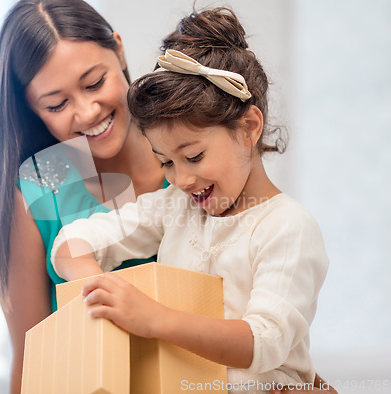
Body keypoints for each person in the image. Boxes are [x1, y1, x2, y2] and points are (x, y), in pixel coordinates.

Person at [52, 7, 334, 393]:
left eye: (194, 156)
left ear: (250, 127)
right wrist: (99, 289)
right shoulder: (174, 208)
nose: (181, 179)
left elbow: (264, 343)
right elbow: (71, 243)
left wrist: (153, 318)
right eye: (165, 161)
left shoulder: (287, 227)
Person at [0, 1, 166, 392]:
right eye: (57, 104)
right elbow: (31, 364)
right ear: (33, 110)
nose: (86, 112)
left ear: (118, 49)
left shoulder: (191, 155)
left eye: (95, 83)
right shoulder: (38, 191)